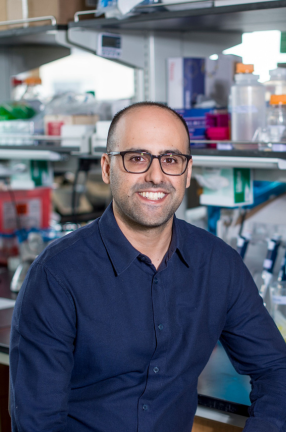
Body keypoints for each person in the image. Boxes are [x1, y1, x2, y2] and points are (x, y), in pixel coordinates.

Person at [10, 102, 286, 432]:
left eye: (171, 160)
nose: (156, 176)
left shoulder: (218, 264)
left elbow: (275, 367)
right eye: (137, 158)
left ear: (187, 173)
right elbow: (38, 422)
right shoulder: (56, 275)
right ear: (107, 168)